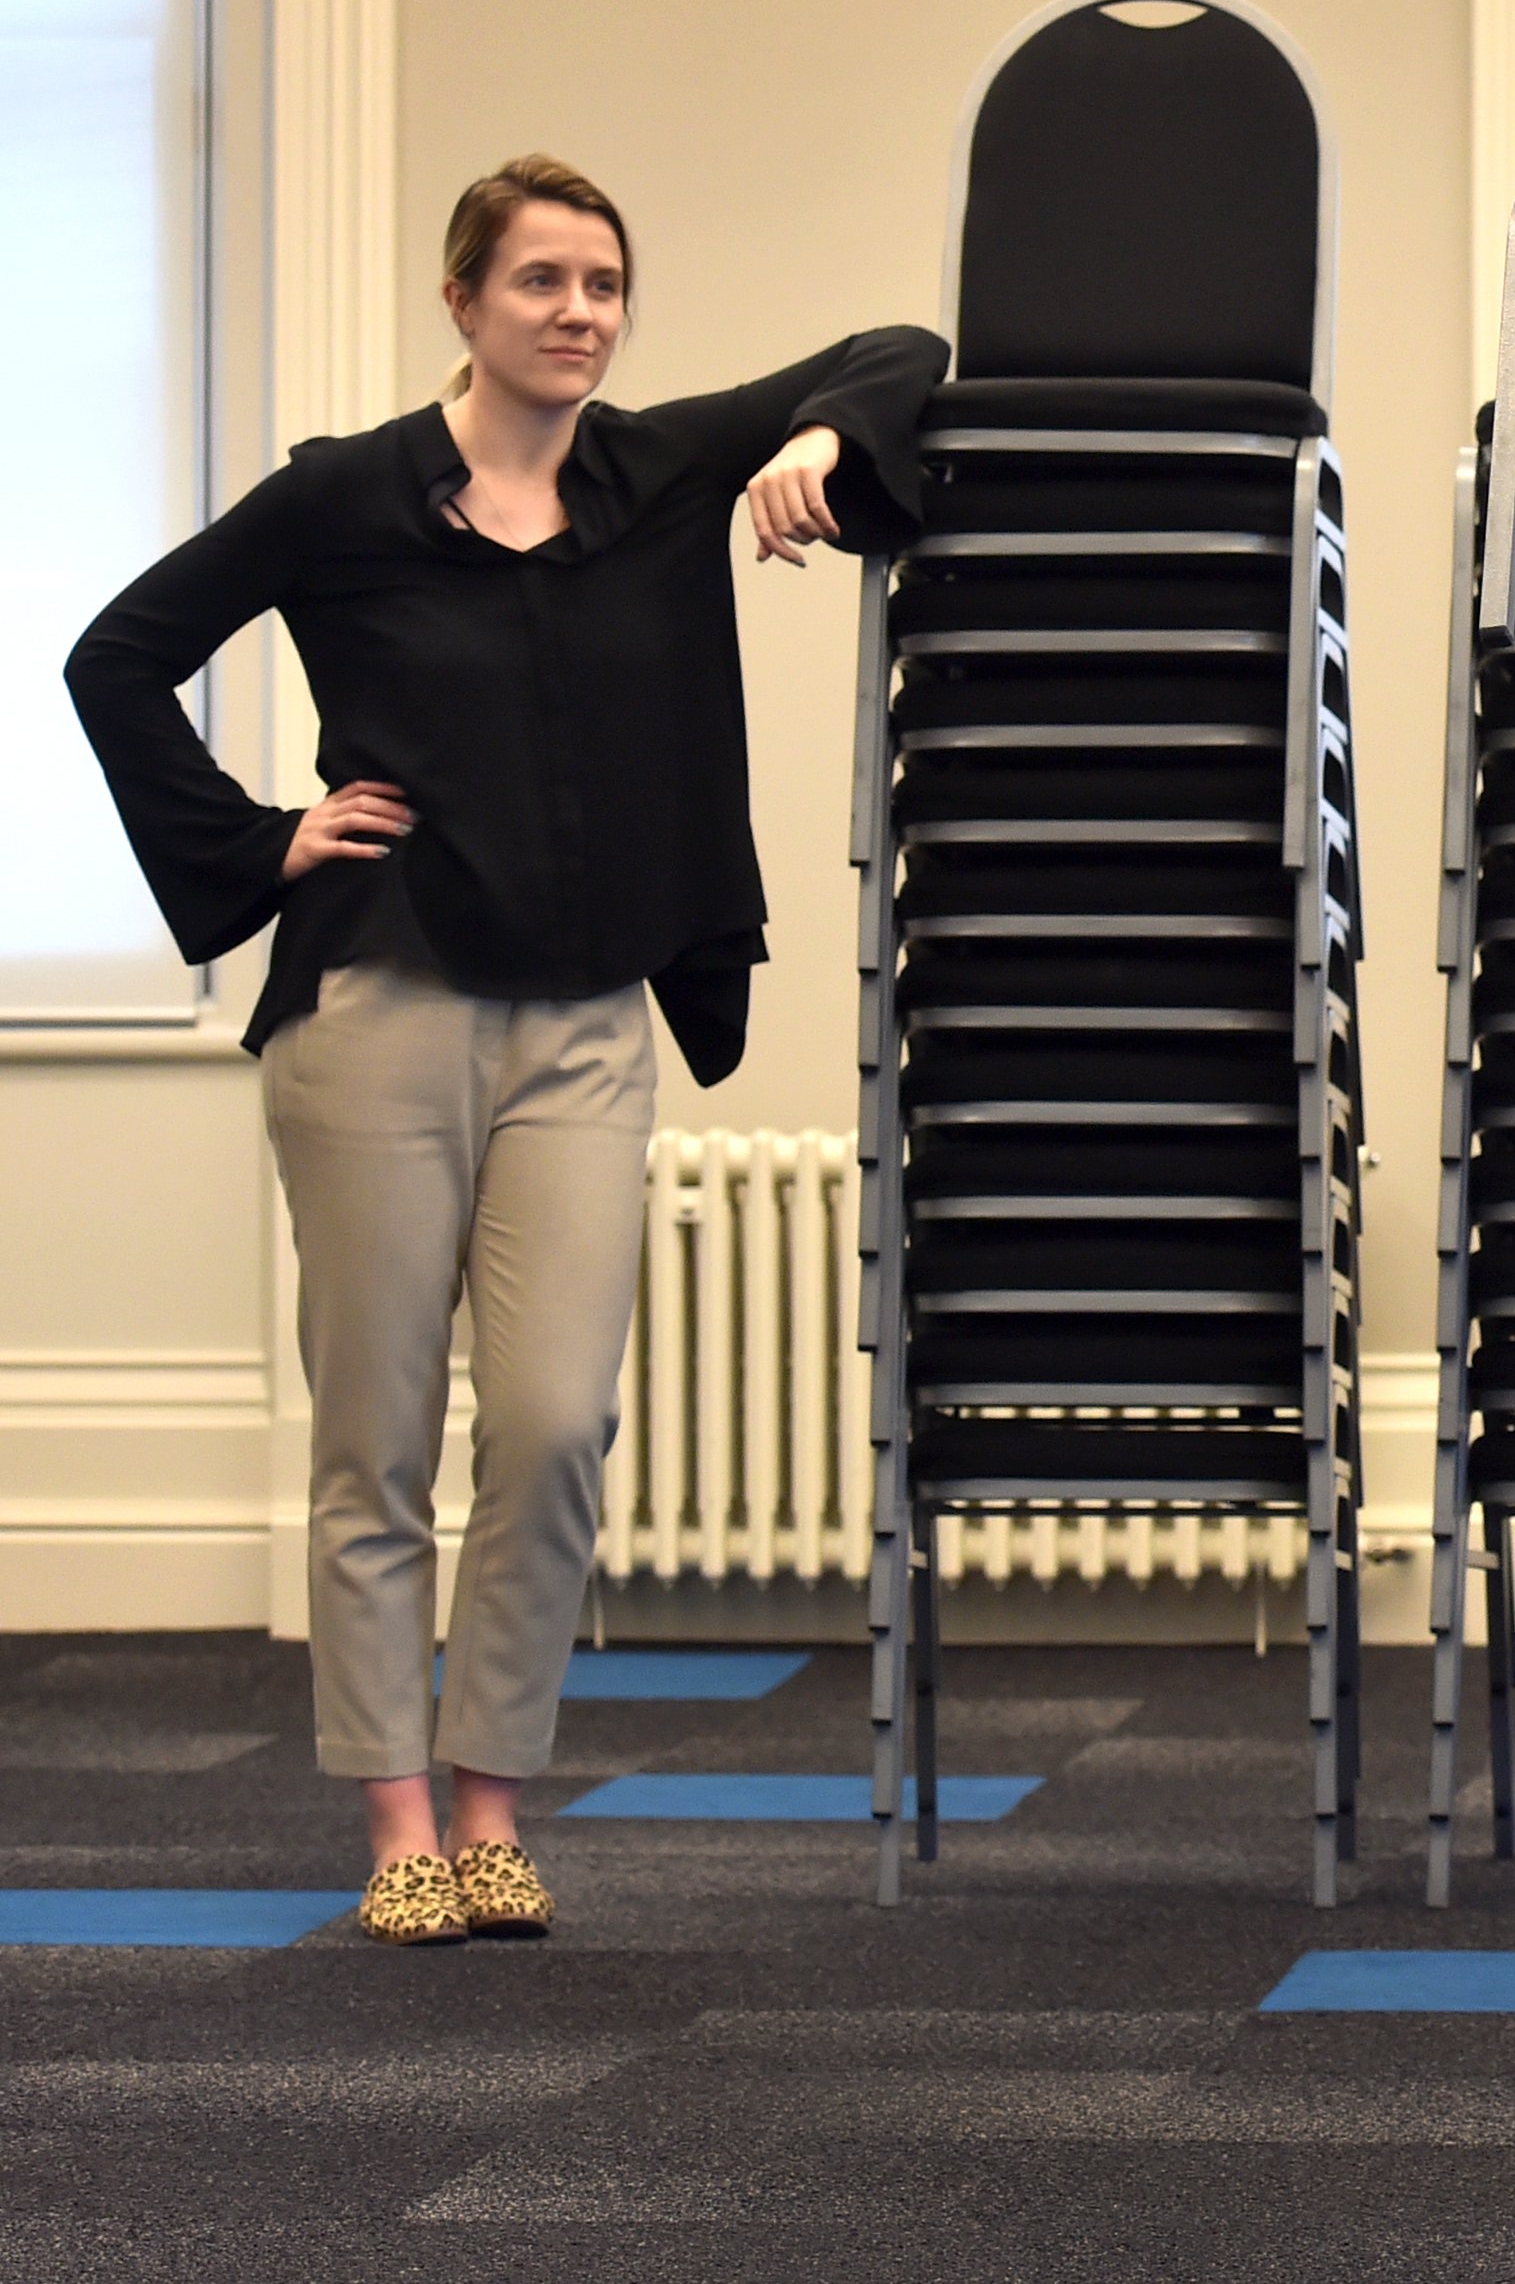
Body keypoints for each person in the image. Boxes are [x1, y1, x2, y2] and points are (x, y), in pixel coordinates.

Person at [66, 155, 942, 1948]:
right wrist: (258, 844)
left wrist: (824, 445)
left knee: (551, 1426)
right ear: (462, 302)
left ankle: (495, 1802)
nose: (579, 314)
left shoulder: (660, 471)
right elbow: (116, 657)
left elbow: (908, 341)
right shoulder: (346, 499)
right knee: (377, 1433)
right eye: (541, 282)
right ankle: (400, 1820)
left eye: (605, 285)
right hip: (377, 1009)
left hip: (586, 1018)